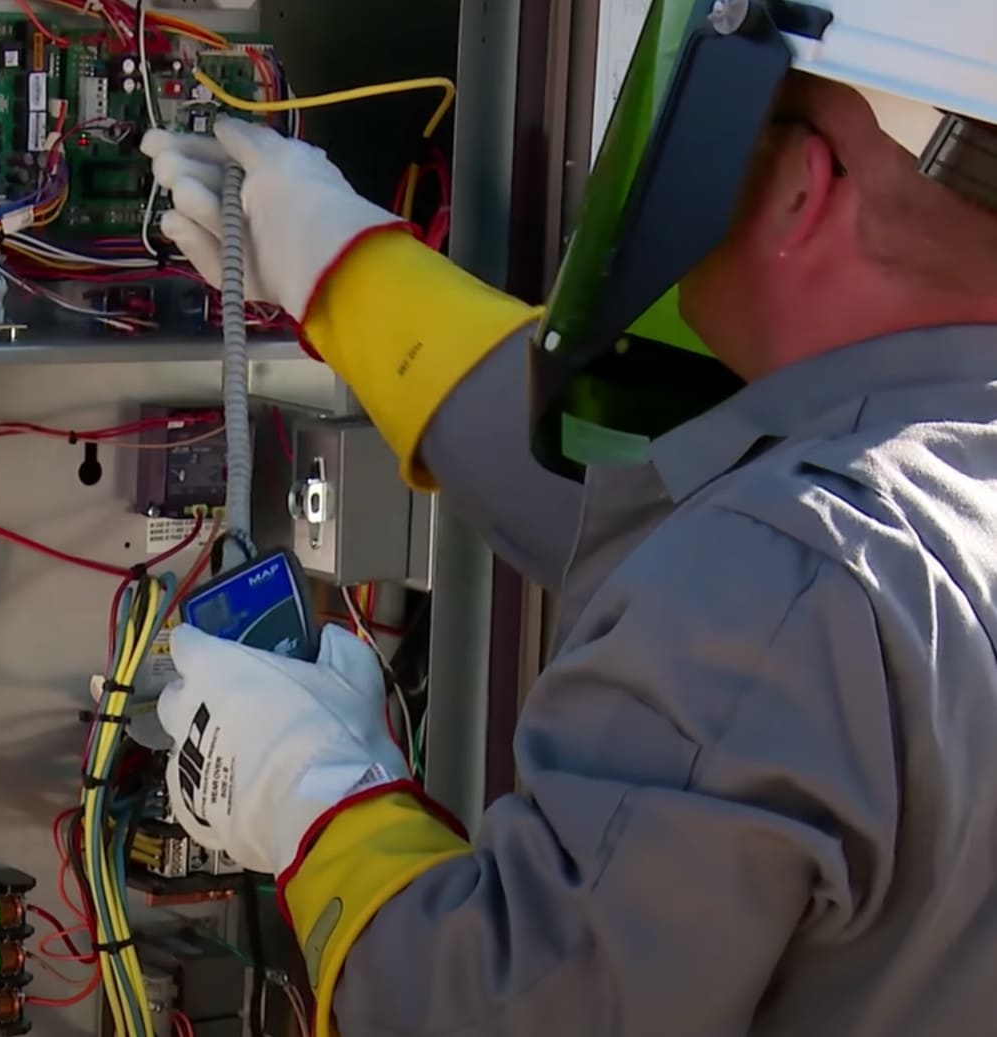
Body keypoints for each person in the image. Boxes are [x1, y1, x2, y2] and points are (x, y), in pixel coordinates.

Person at [143, 5, 997, 1034]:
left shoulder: (785, 574)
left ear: (802, 184)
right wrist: (334, 259)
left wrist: (316, 801)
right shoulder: (908, 495)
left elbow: (498, 1012)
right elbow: (614, 490)